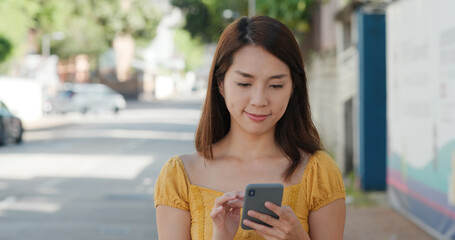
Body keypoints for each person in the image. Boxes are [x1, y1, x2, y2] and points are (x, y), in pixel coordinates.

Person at [154, 15, 346, 240]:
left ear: (294, 87)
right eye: (244, 83)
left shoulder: (319, 173)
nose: (259, 100)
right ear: (221, 84)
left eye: (276, 85)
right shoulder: (179, 177)